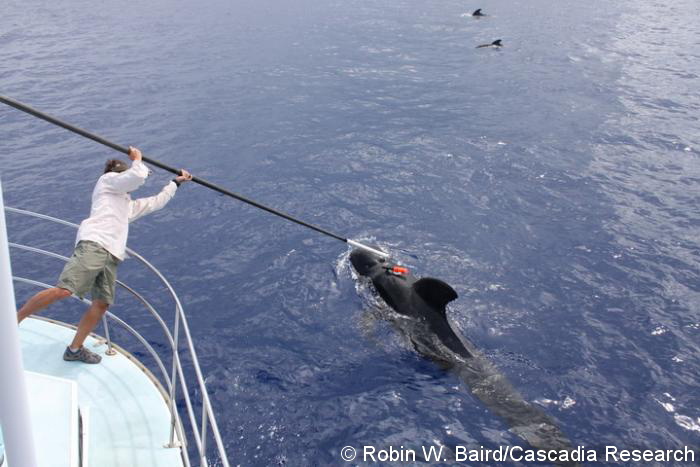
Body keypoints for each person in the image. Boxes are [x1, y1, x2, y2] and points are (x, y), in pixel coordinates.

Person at [17, 146, 193, 363]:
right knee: (64, 290)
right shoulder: (107, 182)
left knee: (101, 304)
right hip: (95, 244)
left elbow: (156, 202)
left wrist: (175, 183)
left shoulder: (126, 205)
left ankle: (74, 349)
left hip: (112, 254)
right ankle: (12, 323)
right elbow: (136, 176)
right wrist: (137, 159)